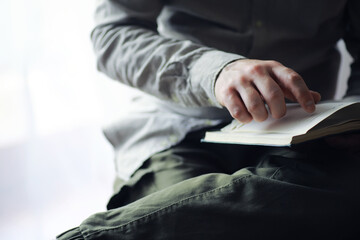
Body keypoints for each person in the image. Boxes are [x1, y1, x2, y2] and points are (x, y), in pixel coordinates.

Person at [57, 1, 360, 239]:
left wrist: (352, 115)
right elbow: (113, 36)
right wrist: (215, 71)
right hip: (175, 129)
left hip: (304, 137)